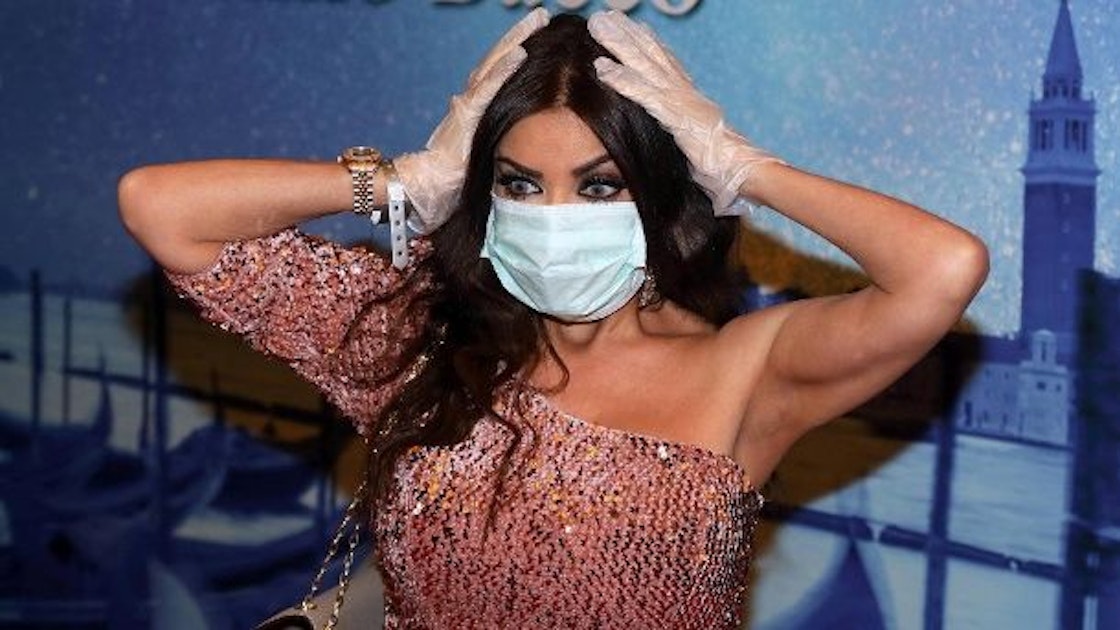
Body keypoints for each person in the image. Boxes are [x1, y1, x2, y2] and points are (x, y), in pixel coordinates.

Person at [117, 9, 988, 629]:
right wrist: (406, 181)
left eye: (600, 186)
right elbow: (161, 208)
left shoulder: (747, 369)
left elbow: (943, 271)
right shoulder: (415, 339)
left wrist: (740, 167)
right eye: (521, 183)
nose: (555, 216)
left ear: (662, 197)